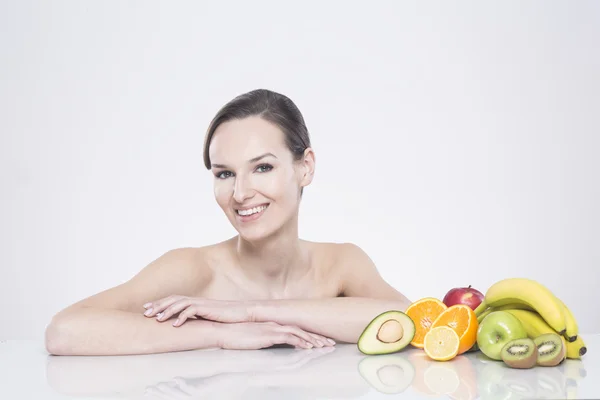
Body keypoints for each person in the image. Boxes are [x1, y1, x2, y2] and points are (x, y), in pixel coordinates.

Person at [44, 89, 412, 356]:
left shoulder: (342, 264)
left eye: (262, 168)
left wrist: (249, 312)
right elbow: (65, 331)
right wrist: (217, 334)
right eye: (224, 174)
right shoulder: (193, 269)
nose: (240, 193)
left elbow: (407, 320)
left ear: (305, 167)